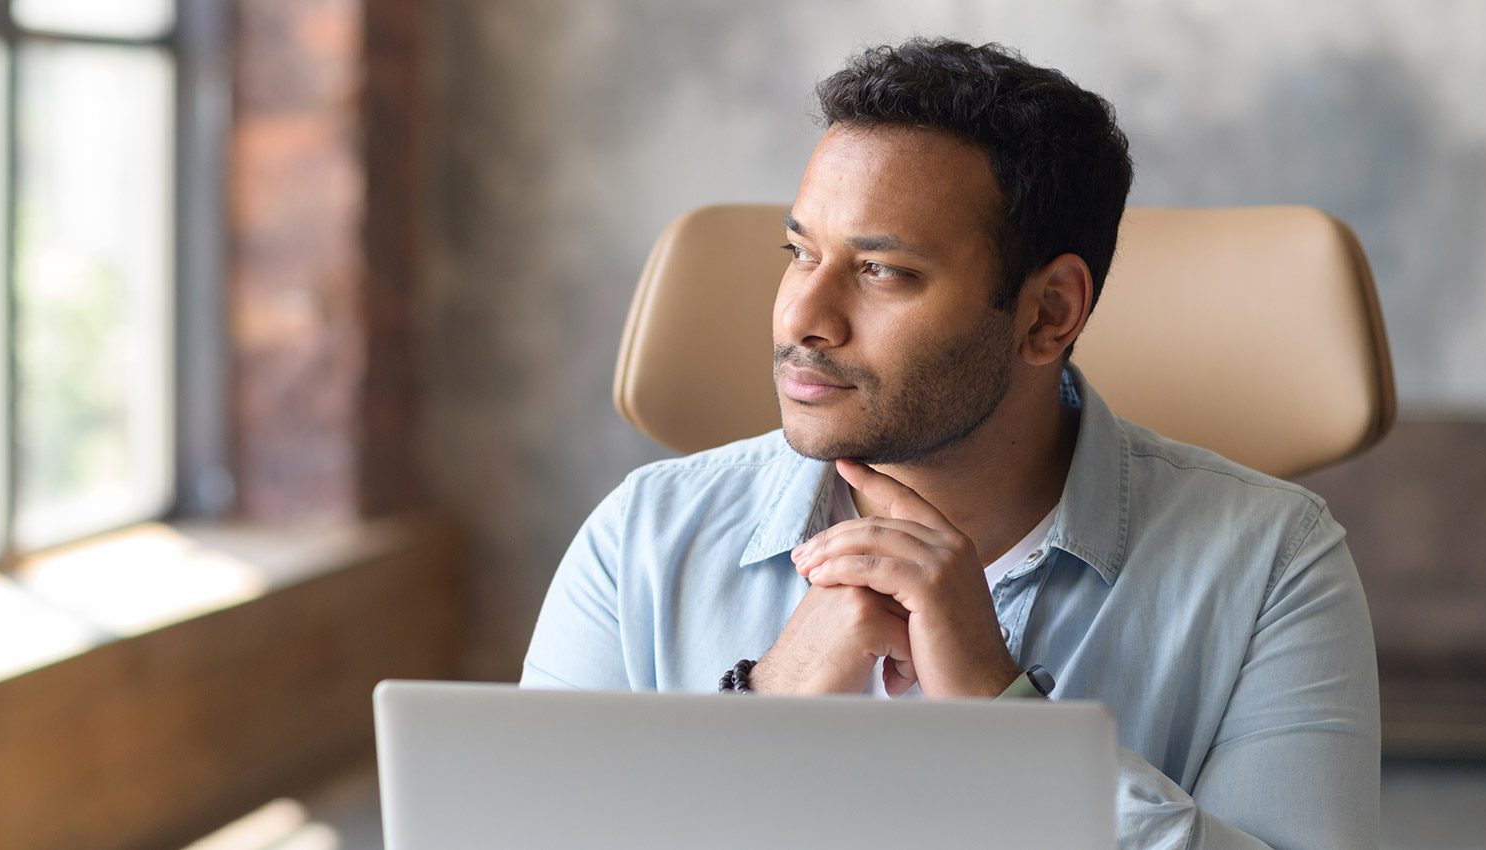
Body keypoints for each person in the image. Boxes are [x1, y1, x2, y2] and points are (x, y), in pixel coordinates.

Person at [521, 37, 1378, 849]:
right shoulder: (639, 539)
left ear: (1048, 314)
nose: (801, 319)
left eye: (881, 271)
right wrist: (767, 707)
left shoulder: (1274, 564)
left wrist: (1000, 713)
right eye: (798, 252)